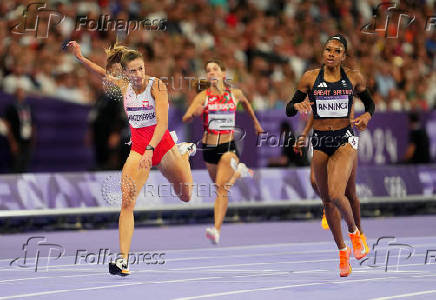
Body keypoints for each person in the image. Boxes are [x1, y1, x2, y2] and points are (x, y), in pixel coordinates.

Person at [67, 41, 196, 276]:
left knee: (186, 196)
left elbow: (163, 124)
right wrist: (81, 58)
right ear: (125, 73)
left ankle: (183, 153)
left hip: (162, 145)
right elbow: (100, 72)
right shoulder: (124, 86)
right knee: (127, 202)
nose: (138, 74)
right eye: (133, 71)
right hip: (138, 149)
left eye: (141, 69)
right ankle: (123, 260)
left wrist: (151, 149)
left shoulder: (157, 86)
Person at [286, 34, 374, 277]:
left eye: (337, 50)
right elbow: (289, 108)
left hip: (345, 139)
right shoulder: (310, 78)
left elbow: (370, 104)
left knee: (339, 193)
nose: (331, 53)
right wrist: (297, 106)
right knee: (326, 200)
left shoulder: (353, 77)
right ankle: (342, 252)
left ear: (343, 56)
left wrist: (367, 116)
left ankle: (355, 233)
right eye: (328, 49)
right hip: (321, 141)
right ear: (323, 52)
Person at [182, 59, 263, 244]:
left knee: (220, 188)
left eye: (215, 69)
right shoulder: (203, 96)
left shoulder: (235, 94)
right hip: (209, 149)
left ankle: (216, 229)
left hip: (228, 147)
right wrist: (194, 113)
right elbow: (186, 116)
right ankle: (239, 170)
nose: (211, 72)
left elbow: (247, 104)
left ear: (223, 74)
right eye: (208, 70)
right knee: (222, 189)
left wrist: (256, 122)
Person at [294, 112, 364, 236]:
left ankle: (360, 234)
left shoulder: (348, 93)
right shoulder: (315, 93)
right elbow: (314, 112)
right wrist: (304, 133)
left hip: (345, 136)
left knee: (350, 192)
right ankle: (329, 204)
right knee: (314, 181)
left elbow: (352, 110)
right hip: (322, 136)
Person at [4, 87, 35, 173]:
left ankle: (23, 184)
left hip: (27, 139)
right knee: (16, 164)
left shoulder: (28, 107)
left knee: (25, 164)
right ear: (15, 95)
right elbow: (7, 126)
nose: (22, 94)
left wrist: (33, 138)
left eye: (23, 92)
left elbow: (32, 123)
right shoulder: (12, 108)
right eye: (19, 92)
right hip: (17, 139)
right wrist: (12, 142)